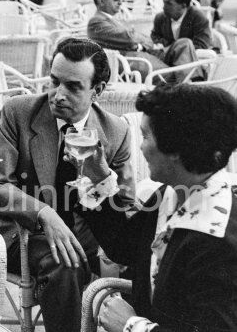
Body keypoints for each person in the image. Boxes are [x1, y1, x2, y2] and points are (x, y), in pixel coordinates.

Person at [0, 37, 135, 332]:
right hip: (25, 235)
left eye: (73, 87)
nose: (58, 95)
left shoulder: (115, 131)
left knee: (144, 257)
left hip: (88, 236)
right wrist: (44, 213)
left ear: (97, 91)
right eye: (54, 82)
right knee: (66, 264)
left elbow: (127, 208)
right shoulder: (20, 112)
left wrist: (101, 176)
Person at [77, 84, 237, 331]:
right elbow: (124, 248)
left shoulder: (220, 242)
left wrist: (131, 326)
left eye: (146, 136)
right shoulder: (170, 193)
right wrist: (100, 179)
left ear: (176, 147)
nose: (140, 147)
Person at [150, 0, 211, 81]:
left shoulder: (197, 18)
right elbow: (154, 36)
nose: (163, 7)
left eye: (169, 3)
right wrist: (166, 45)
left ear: (183, 5)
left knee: (185, 43)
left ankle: (190, 82)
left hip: (189, 61)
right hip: (166, 60)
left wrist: (178, 48)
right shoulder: (161, 18)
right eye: (164, 2)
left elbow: (202, 44)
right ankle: (190, 82)